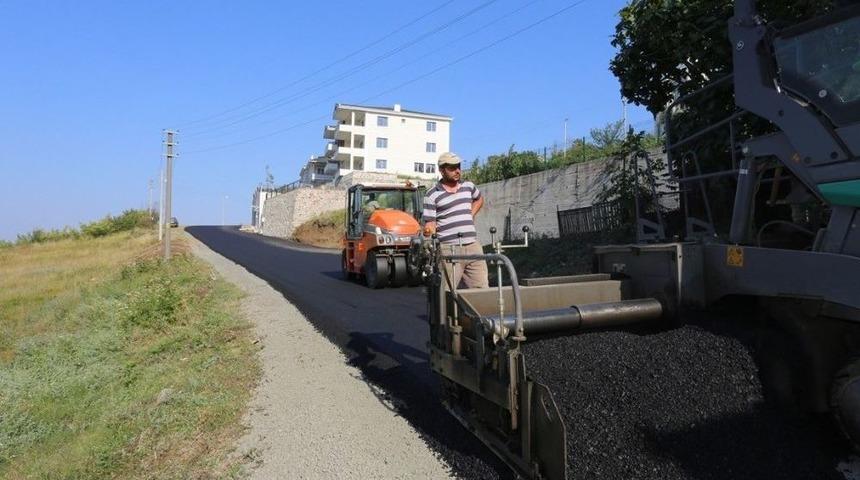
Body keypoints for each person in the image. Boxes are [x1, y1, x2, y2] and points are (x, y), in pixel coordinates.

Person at [422, 152, 489, 289]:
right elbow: (430, 225)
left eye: (458, 166)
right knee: (446, 292)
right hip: (449, 249)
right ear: (441, 170)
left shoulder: (468, 186)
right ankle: (445, 311)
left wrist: (471, 214)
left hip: (473, 246)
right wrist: (430, 246)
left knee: (481, 291)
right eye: (452, 168)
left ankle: (472, 311)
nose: (457, 171)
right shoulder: (432, 194)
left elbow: (479, 199)